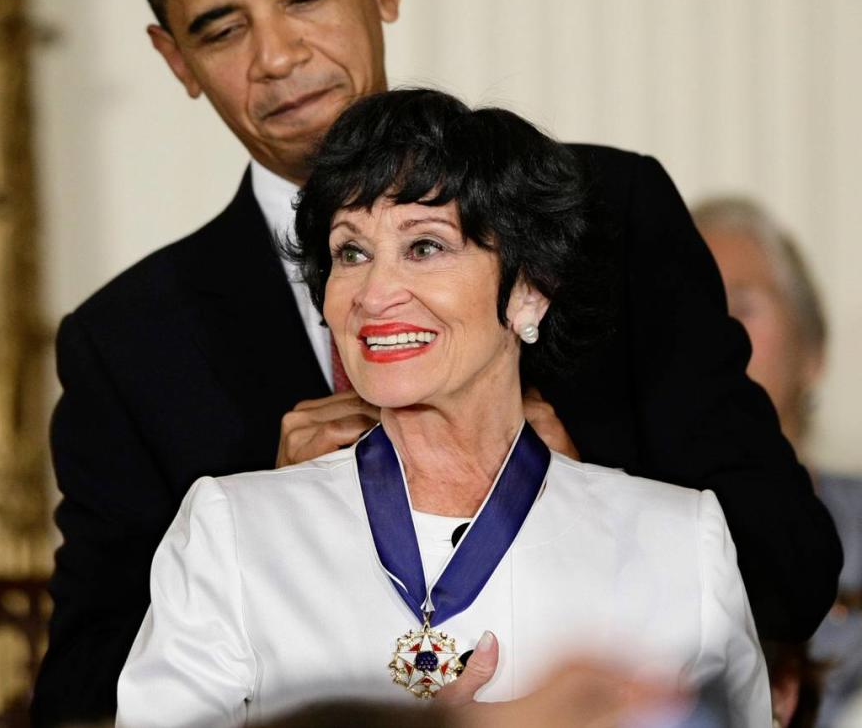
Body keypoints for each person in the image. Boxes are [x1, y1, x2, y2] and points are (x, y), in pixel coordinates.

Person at [31, 0, 840, 725]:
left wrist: (570, 489)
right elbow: (82, 697)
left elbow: (787, 565)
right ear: (174, 59)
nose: (276, 55)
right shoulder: (130, 343)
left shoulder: (614, 212)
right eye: (221, 29)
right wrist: (273, 531)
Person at [115, 89, 771, 727]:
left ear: (529, 291)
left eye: (424, 246)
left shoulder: (677, 541)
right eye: (352, 251)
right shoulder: (233, 533)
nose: (374, 292)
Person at [694, 197, 862, 728]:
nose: (714, 334)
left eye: (742, 306)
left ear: (813, 349)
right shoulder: (611, 530)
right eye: (690, 309)